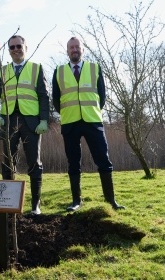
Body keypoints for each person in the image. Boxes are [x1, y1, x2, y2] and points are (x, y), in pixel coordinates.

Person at [52, 36, 125, 211]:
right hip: (70, 123)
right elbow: (55, 99)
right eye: (71, 47)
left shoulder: (95, 68)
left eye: (77, 47)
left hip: (92, 121)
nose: (74, 50)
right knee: (73, 162)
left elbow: (102, 96)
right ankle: (76, 201)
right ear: (67, 50)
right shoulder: (59, 71)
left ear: (82, 49)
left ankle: (110, 201)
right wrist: (68, 112)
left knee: (103, 160)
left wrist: (93, 111)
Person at [0, 35, 50, 215]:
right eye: (12, 47)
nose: (16, 50)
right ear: (8, 50)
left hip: (31, 123)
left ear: (26, 47)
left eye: (19, 46)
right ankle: (9, 204)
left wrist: (44, 120)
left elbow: (43, 96)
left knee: (34, 163)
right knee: (7, 162)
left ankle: (35, 206)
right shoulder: (2, 71)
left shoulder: (36, 69)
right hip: (8, 121)